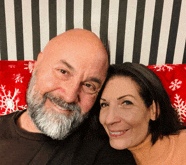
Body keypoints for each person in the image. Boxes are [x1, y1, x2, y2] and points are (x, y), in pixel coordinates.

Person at [0, 29, 136, 165]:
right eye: (63, 72)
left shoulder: (106, 152)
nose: (69, 97)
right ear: (36, 65)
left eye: (88, 85)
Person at [99, 62, 186, 165]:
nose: (109, 119)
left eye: (126, 103)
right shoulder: (100, 158)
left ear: (153, 110)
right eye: (104, 104)